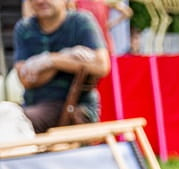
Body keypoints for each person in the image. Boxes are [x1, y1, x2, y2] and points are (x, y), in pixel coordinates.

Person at [14, 0, 110, 133]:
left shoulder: (81, 21)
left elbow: (101, 65)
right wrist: (66, 56)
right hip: (34, 105)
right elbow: (26, 80)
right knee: (10, 116)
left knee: (16, 121)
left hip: (73, 106)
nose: (40, 1)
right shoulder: (24, 28)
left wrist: (50, 61)